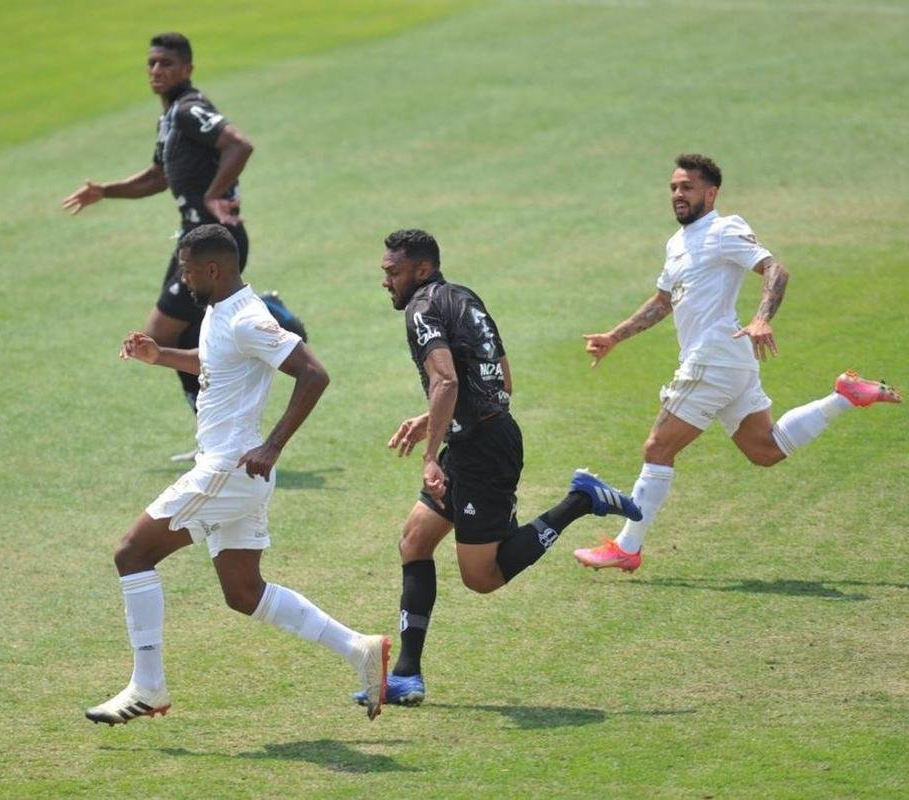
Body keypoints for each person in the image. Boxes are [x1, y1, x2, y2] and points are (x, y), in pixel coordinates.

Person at [88, 224, 389, 725]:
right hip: (236, 473)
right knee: (243, 593)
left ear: (213, 269)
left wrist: (273, 445)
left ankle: (148, 686)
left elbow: (314, 374)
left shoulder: (248, 317)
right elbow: (215, 363)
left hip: (227, 468)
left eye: (186, 270)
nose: (181, 279)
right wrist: (161, 356)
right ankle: (359, 649)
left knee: (132, 553)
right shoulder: (219, 313)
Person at [353, 229, 642, 708]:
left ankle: (581, 500)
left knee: (481, 577)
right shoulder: (465, 299)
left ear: (421, 270)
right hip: (474, 438)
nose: (386, 281)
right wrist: (436, 420)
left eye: (392, 271)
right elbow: (501, 379)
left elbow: (445, 378)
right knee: (415, 541)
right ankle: (407, 674)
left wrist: (429, 454)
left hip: (483, 453)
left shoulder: (421, 310)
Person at [574, 154, 901, 573]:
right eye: (674, 187)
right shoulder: (677, 244)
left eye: (687, 187)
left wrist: (762, 317)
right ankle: (844, 396)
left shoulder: (724, 229)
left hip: (713, 357)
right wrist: (615, 337)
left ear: (710, 194)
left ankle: (627, 546)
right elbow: (662, 302)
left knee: (658, 447)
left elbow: (774, 270)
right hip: (730, 360)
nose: (678, 195)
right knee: (765, 450)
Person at [63, 32, 263, 455]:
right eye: (152, 63)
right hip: (192, 245)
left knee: (161, 333)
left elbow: (240, 145)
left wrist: (214, 194)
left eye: (167, 64)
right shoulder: (171, 116)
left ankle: (279, 318)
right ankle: (216, 436)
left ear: (187, 69)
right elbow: (158, 176)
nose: (157, 70)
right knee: (188, 333)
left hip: (214, 245)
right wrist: (106, 190)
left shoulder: (191, 110)